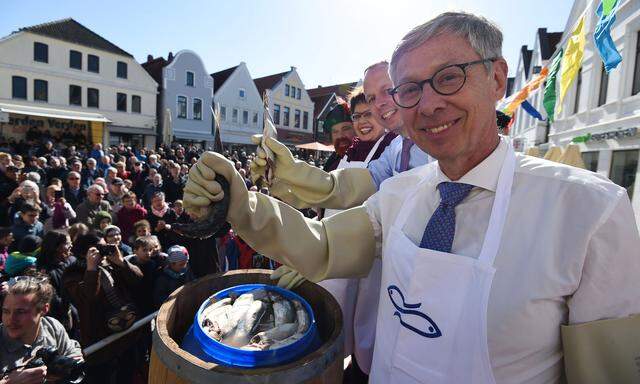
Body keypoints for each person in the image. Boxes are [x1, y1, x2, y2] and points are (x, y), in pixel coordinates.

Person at [185, 12, 640, 383]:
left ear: (497, 79)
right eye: (410, 90)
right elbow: (323, 245)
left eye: (448, 77)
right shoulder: (401, 194)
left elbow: (608, 372)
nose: (427, 104)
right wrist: (239, 203)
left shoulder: (589, 210)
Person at [0, 277, 83, 383]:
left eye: (21, 312)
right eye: (6, 311)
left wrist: (62, 368)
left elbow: (72, 352)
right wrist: (8, 381)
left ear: (44, 309)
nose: (11, 319)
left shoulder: (51, 327)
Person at [36, 231, 77, 334]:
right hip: (64, 321)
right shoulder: (46, 272)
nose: (71, 245)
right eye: (67, 243)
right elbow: (54, 301)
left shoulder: (71, 261)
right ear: (57, 247)